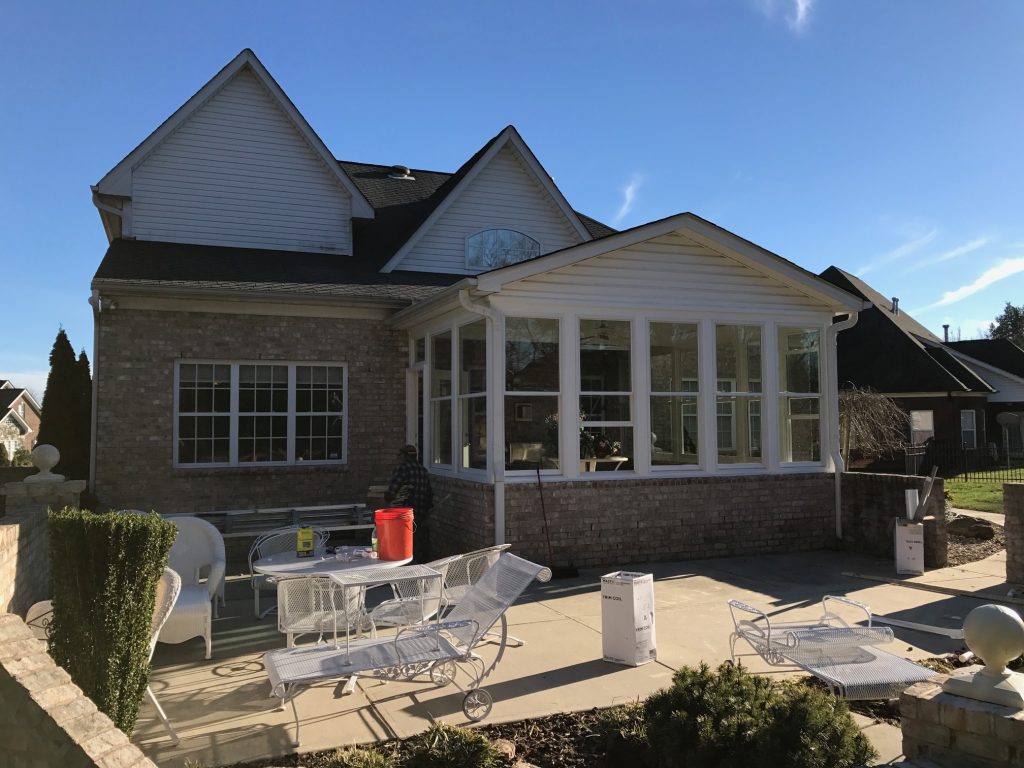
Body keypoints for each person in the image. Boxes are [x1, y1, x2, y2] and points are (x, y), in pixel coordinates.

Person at [383, 444, 434, 562]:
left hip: (404, 515)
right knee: (418, 543)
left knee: (404, 542)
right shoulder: (423, 470)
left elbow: (392, 490)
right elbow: (430, 495)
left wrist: (386, 500)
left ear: (404, 456)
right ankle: (419, 564)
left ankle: (407, 565)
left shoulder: (403, 468)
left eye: (399, 455)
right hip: (420, 514)